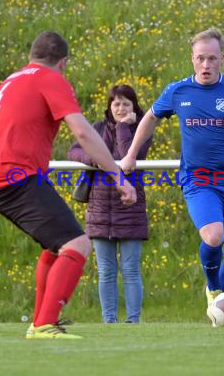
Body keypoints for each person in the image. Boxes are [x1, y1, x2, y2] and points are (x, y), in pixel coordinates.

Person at [0, 31, 136, 339]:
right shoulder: (52, 80)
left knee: (57, 246)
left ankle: (40, 321)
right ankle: (45, 323)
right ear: (63, 63)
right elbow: (84, 133)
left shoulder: (9, 83)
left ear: (31, 57)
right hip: (16, 178)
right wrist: (117, 175)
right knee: (78, 244)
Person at [120, 28, 224, 325]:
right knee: (214, 236)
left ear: (222, 59)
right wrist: (132, 154)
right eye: (200, 58)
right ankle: (213, 290)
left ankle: (221, 308)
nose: (206, 65)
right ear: (192, 59)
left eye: (212, 58)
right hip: (198, 180)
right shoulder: (178, 91)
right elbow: (150, 119)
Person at [67, 84, 151, 324]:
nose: (121, 108)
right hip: (99, 210)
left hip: (131, 209)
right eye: (117, 104)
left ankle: (133, 321)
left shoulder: (142, 131)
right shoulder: (97, 128)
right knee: (105, 272)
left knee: (131, 271)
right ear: (109, 107)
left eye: (126, 104)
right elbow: (73, 151)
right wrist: (97, 160)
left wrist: (125, 127)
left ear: (134, 107)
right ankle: (109, 321)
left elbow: (128, 156)